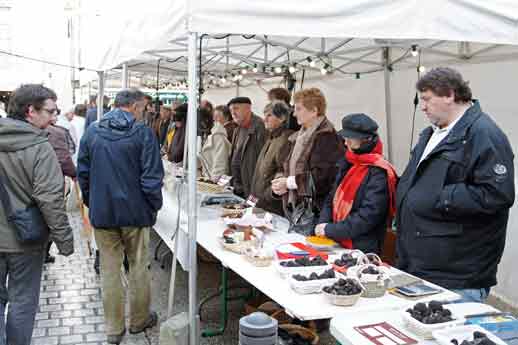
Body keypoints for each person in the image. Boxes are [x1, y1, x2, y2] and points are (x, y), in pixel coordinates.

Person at [396, 67, 515, 303]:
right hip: (421, 266)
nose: (423, 106)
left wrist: (441, 196)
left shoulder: (483, 133)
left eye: (427, 99)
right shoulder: (431, 134)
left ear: (449, 95)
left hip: (456, 275)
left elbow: (497, 194)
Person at [78, 88, 164, 344]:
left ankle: (114, 329)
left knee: (110, 270)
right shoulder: (143, 133)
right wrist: (153, 207)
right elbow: (151, 178)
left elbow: (83, 172)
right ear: (136, 106)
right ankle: (139, 320)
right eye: (143, 108)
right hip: (135, 213)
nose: (144, 112)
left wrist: (91, 201)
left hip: (103, 212)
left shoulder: (92, 131)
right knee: (138, 266)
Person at [0, 84, 74, 345]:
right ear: (31, 111)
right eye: (51, 111)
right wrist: (64, 240)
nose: (55, 118)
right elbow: (50, 200)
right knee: (22, 301)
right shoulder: (40, 147)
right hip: (25, 241)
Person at [315, 113, 398, 254]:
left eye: (350, 139)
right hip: (336, 241)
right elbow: (331, 198)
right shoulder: (348, 161)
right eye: (345, 138)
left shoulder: (379, 171)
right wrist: (323, 223)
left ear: (366, 141)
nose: (345, 143)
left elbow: (368, 216)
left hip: (361, 247)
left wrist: (330, 229)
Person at [272, 88, 344, 234]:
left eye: (299, 109)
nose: (294, 113)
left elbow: (322, 178)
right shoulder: (299, 136)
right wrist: (280, 181)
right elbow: (284, 165)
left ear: (314, 111)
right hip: (296, 209)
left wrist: (289, 183)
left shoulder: (326, 137)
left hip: (314, 213)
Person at [250, 101, 293, 215]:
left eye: (269, 115)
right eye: (265, 115)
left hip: (272, 207)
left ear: (282, 118)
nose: (265, 119)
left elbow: (282, 174)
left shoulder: (286, 140)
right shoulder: (271, 137)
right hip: (260, 203)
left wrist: (268, 196)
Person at [228, 97, 266, 198]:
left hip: (252, 186)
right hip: (238, 186)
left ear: (248, 108)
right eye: (231, 110)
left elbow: (264, 160)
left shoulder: (261, 127)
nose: (233, 113)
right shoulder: (237, 129)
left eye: (236, 109)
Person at [199, 107, 231, 178]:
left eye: (218, 116)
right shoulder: (216, 132)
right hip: (211, 174)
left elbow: (220, 162)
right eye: (214, 116)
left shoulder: (222, 134)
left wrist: (214, 180)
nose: (214, 119)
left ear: (226, 118)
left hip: (215, 178)